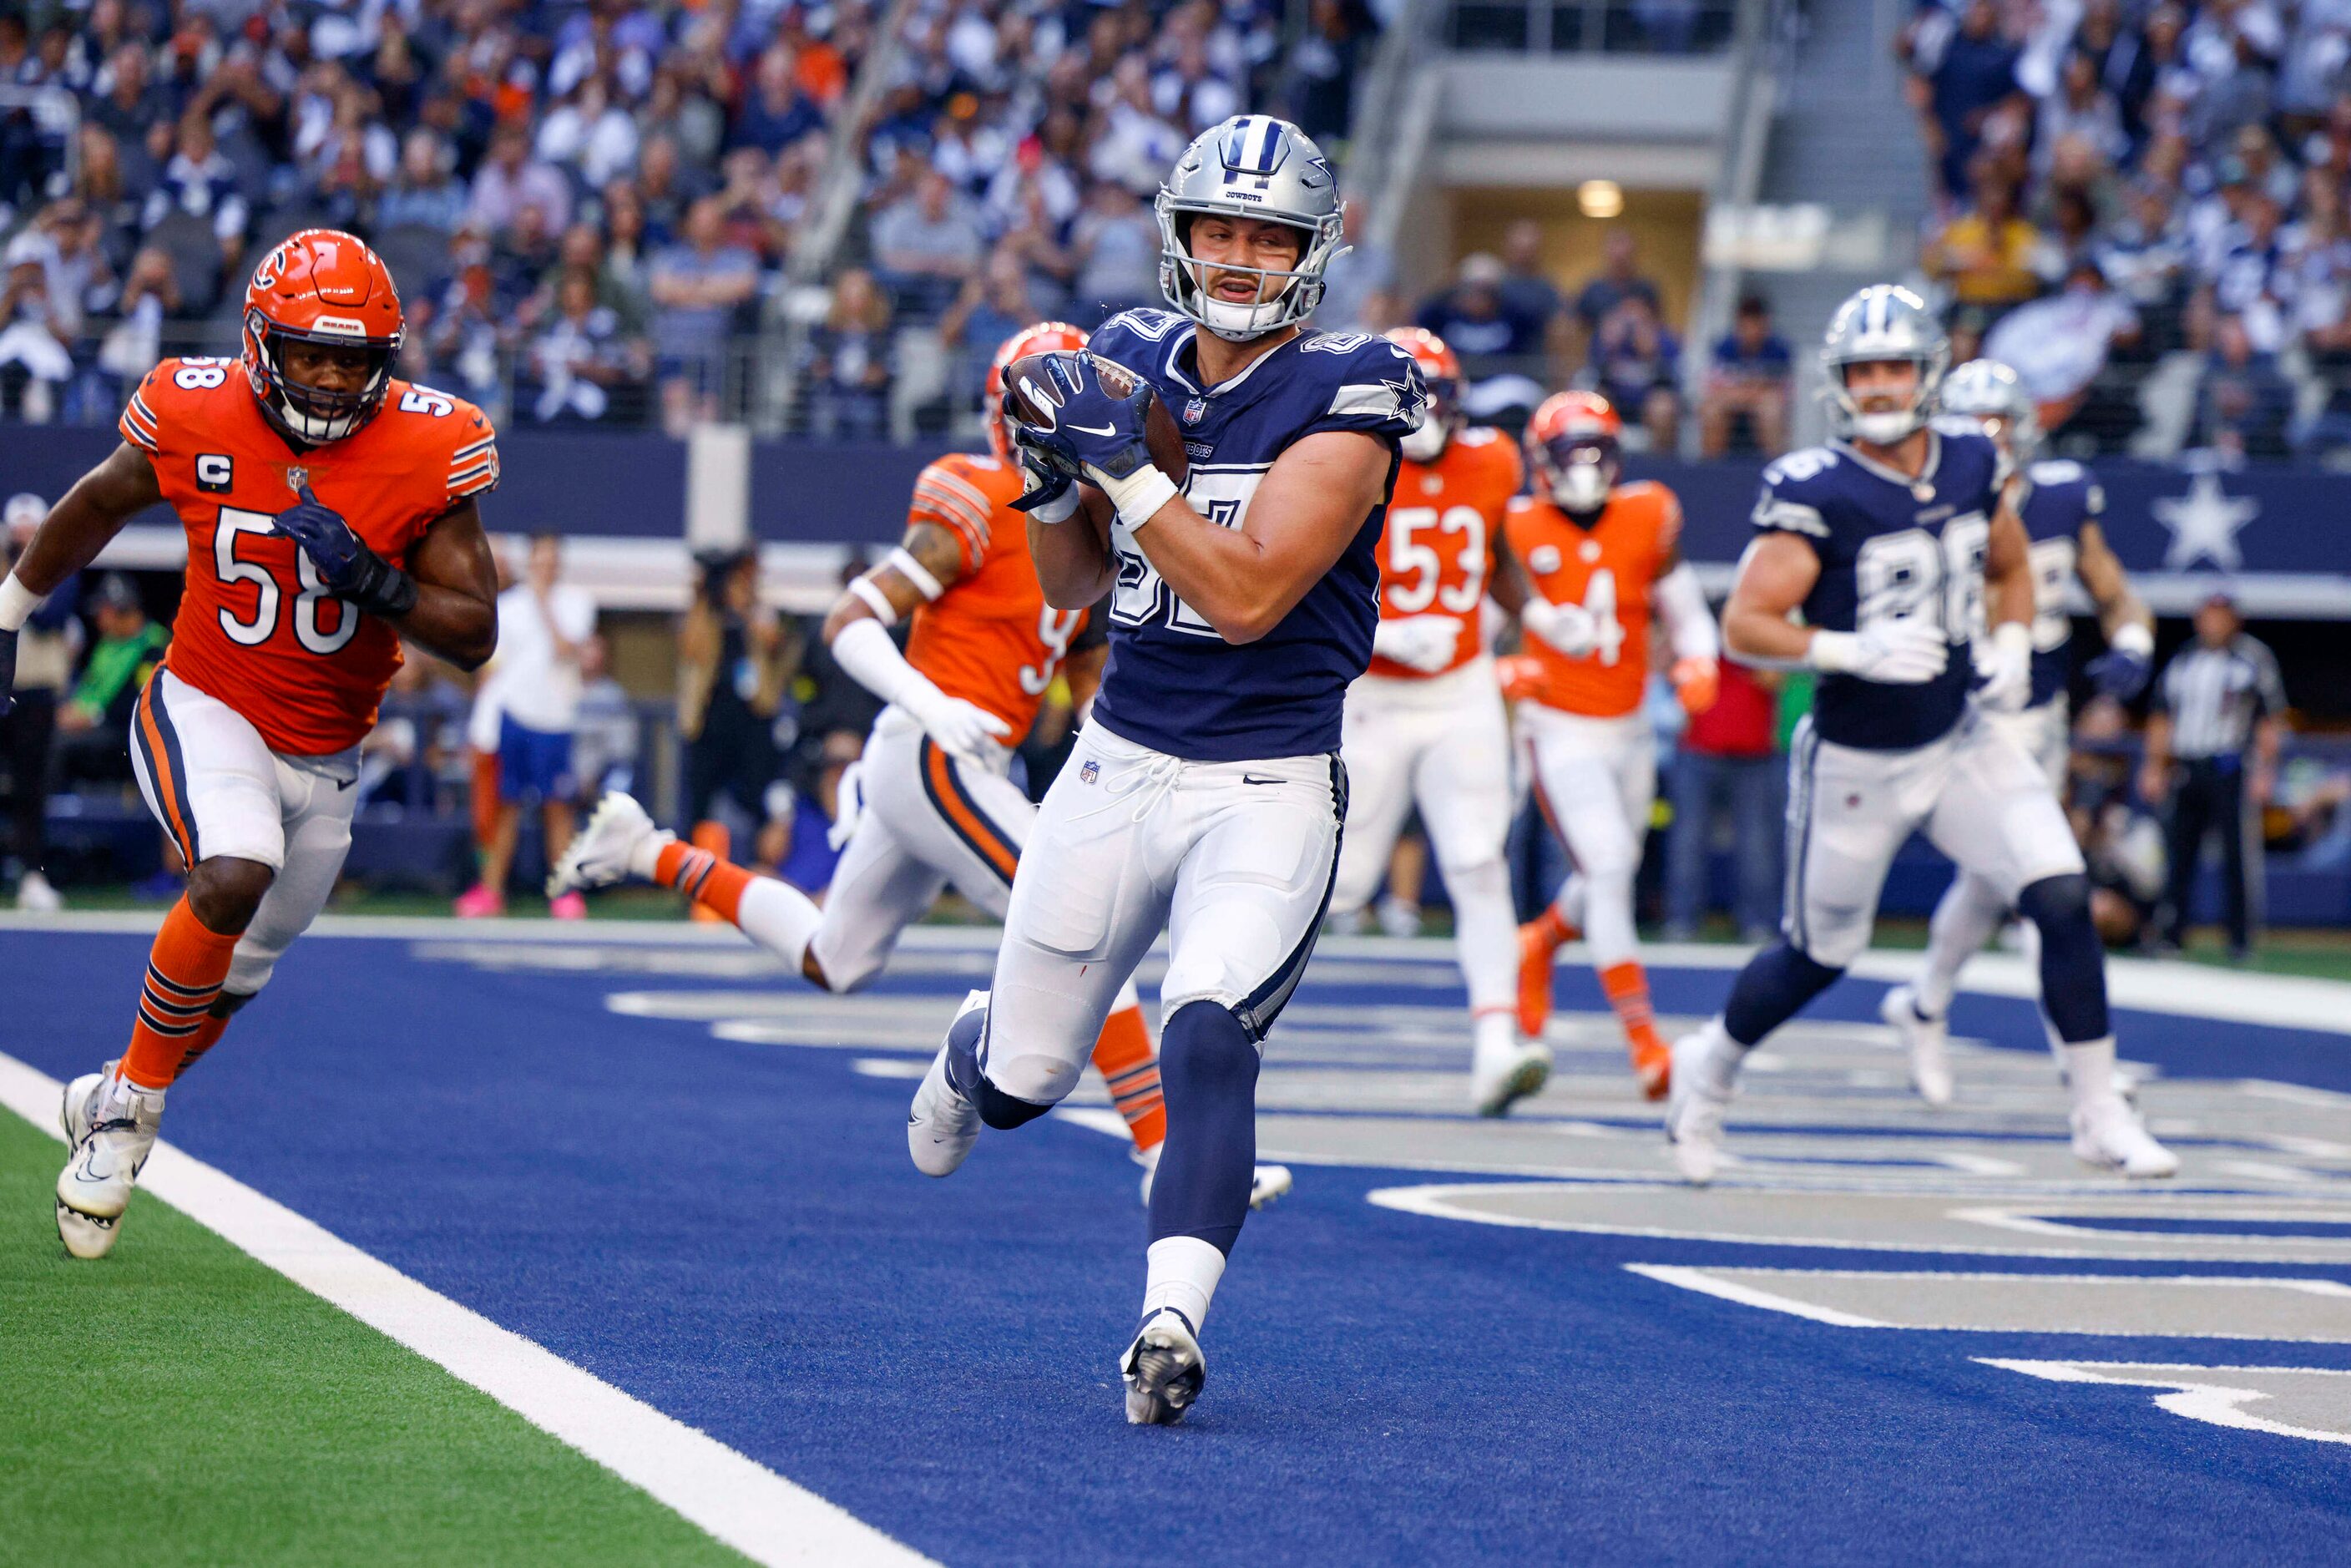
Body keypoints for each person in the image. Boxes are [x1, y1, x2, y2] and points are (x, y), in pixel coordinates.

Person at [902, 114, 1425, 1425]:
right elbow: (1081, 585)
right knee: (1026, 1086)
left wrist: (1122, 463)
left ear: (1313, 251)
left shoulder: (1354, 386)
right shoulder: (1124, 352)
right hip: (1119, 762)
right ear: (1178, 236)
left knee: (1207, 1033)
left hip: (1268, 778)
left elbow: (1249, 598)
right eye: (1219, 231)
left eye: (1268, 237)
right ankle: (974, 1052)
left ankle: (1169, 1321)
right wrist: (1042, 485)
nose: (1240, 258)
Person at [553, 322, 1286, 1211]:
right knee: (1077, 929)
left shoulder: (1104, 521)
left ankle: (647, 850)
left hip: (961, 763)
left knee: (836, 957)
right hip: (934, 750)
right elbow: (851, 620)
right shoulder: (976, 493)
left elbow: (1090, 671)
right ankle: (1160, 1149)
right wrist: (933, 708)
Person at [0, 230, 499, 1258]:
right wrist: (10, 606)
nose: (327, 376)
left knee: (237, 974)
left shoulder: (427, 443)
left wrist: (373, 578)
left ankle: (109, 1089)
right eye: (307, 352)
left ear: (384, 360)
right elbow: (96, 505)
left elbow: (474, 631)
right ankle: (128, 1119)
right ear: (259, 344)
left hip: (329, 753)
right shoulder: (195, 406)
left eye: (350, 358)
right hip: (204, 700)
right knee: (231, 873)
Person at [1663, 284, 2173, 1186]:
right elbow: (1745, 621)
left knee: (2057, 894)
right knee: (1818, 953)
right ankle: (1708, 1071)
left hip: (1961, 734)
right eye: (1862, 369)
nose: (1879, 384)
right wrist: (1844, 646)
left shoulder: (1974, 460)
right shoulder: (1812, 487)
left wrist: (2013, 640)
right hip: (1858, 759)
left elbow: (2011, 565)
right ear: (1838, 381)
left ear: (1927, 369)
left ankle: (2097, 1113)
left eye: (1894, 364)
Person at [1881, 360, 2156, 1104]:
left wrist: (2131, 645)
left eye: (1998, 422)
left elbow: (2116, 592)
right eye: (1971, 425)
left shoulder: (2062, 499)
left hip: (2045, 718)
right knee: (2047, 884)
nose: (1986, 439)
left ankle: (1924, 1004)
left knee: (1990, 882)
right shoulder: (1933, 504)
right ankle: (2084, 1067)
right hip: (1973, 721)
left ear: (2025, 427)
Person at [1327, 327, 1545, 1113]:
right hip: (1373, 692)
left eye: (1441, 398)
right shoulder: (1344, 462)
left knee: (1479, 862)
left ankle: (1496, 1043)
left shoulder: (1493, 461)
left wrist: (1537, 622)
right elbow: (1299, 586)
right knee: (1340, 883)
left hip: (1461, 688)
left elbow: (1496, 557)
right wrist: (1381, 633)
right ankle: (1220, 1021)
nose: (1428, 415)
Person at [1509, 392, 1720, 1100]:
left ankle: (1538, 943)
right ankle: (1644, 1043)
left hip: (1630, 727)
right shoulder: (1514, 525)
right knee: (1607, 865)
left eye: (1599, 449)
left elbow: (1687, 614)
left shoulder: (1649, 513)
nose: (1588, 466)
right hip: (1559, 727)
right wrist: (1503, 669)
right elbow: (1475, 621)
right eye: (1574, 452)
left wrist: (1698, 662)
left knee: (1613, 869)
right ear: (1543, 461)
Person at [456, 534, 595, 919]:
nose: (546, 566)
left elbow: (567, 649)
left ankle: (565, 892)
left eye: (552, 560)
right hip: (514, 717)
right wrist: (480, 725)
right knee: (506, 807)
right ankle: (491, 889)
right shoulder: (508, 607)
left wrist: (543, 601)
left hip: (555, 720)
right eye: (540, 559)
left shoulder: (576, 603)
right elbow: (492, 671)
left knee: (557, 809)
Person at [2141, 590, 2286, 960]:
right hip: (2187, 765)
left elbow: (2270, 719)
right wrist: (2155, 765)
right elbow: (2161, 715)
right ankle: (2171, 933)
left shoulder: (2251, 658)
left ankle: (2240, 937)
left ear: (2234, 620)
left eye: (2220, 617)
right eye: (2207, 616)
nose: (2213, 624)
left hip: (2230, 766)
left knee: (2237, 854)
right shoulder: (2183, 659)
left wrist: (2265, 770)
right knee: (2178, 852)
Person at [1661, 659, 1782, 943]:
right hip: (1697, 747)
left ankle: (1757, 922)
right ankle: (1681, 920)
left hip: (1752, 750)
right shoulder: (1696, 628)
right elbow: (1673, 676)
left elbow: (1773, 678)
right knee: (1687, 840)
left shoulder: (1752, 626)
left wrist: (1744, 649)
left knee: (1756, 843)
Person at [1, 493, 71, 908]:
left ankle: (31, 875)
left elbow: (47, 618)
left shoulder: (61, 567)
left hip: (36, 694)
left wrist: (24, 571)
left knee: (31, 789)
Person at [51, 572, 168, 786]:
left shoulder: (155, 648)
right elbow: (90, 685)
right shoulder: (108, 643)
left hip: (123, 733)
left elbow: (138, 705)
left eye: (103, 611)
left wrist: (94, 717)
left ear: (121, 609)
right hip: (93, 724)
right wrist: (70, 710)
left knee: (59, 745)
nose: (98, 619)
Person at [1698, 294, 1792, 458]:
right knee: (1711, 410)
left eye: (1756, 323)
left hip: (1761, 403)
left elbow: (1784, 391)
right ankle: (1710, 466)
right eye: (1747, 323)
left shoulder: (1779, 350)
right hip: (1732, 401)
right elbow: (1712, 387)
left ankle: (1773, 465)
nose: (1751, 330)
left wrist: (1749, 392)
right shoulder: (1724, 348)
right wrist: (1749, 392)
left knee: (1772, 410)